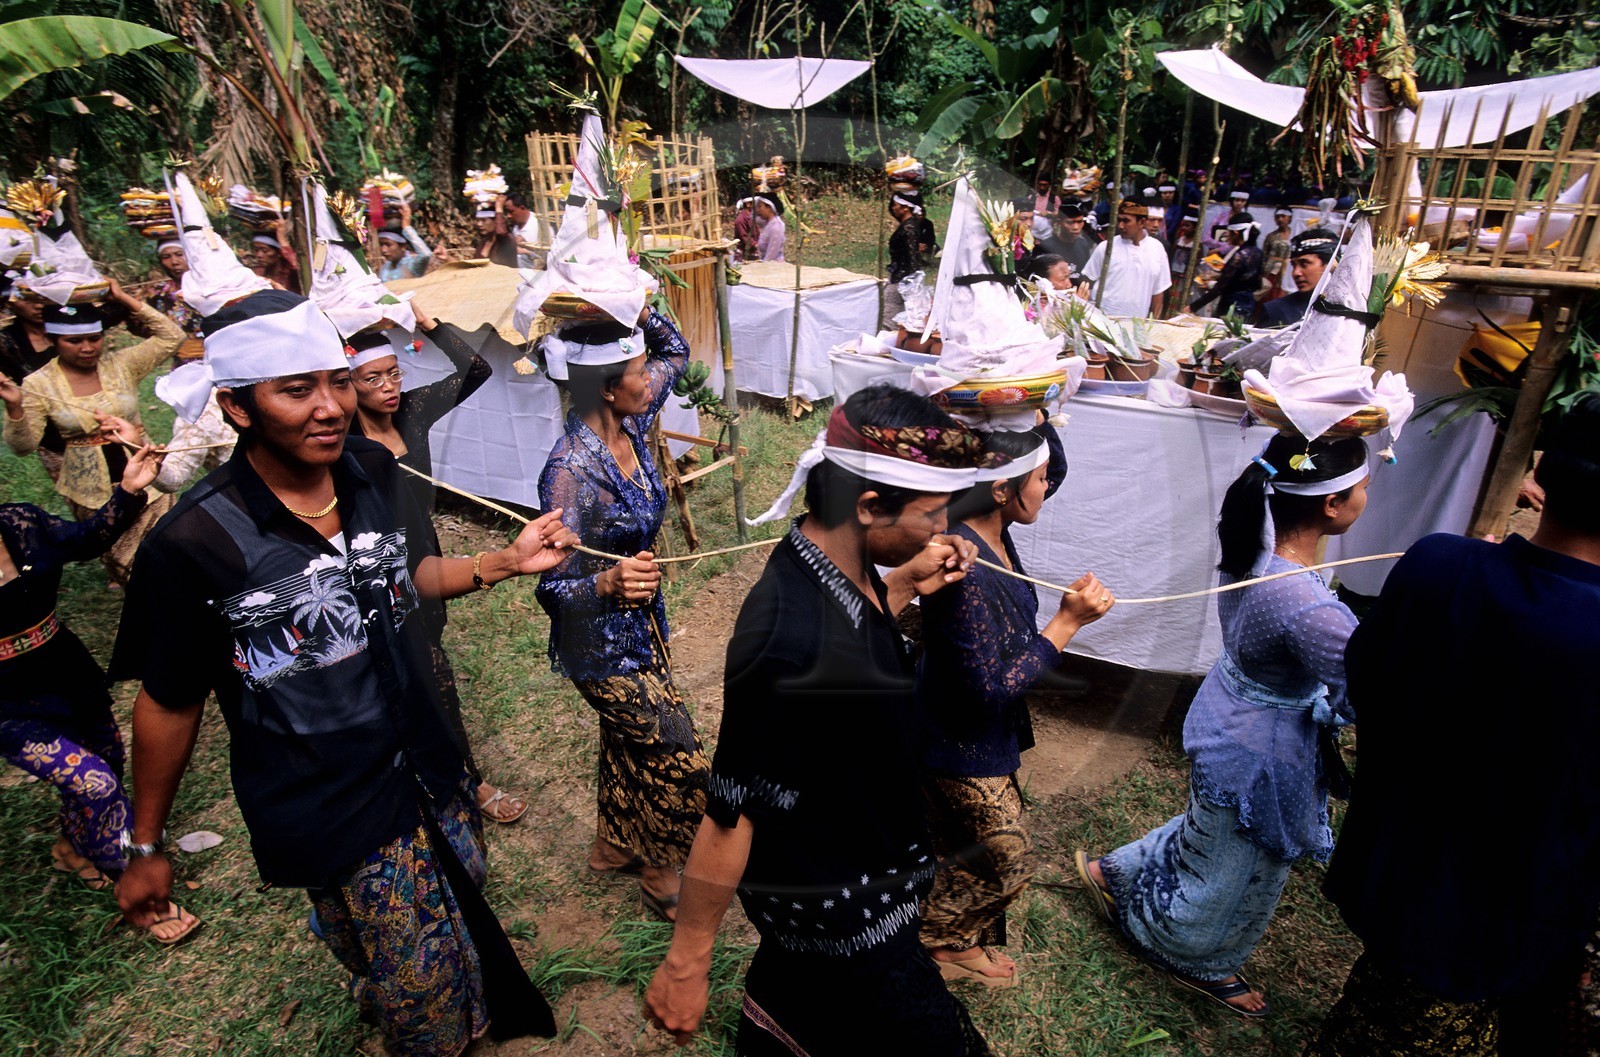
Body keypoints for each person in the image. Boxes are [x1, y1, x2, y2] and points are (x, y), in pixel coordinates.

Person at [112, 286, 567, 1054]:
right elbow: (169, 702)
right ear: (235, 406)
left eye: (335, 381)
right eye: (297, 389)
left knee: (459, 901)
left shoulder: (365, 471)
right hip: (330, 795)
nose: (330, 406)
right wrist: (147, 845)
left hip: (426, 759)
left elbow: (402, 576)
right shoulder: (194, 543)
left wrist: (500, 561)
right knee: (417, 986)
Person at [643, 384, 996, 1055]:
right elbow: (732, 810)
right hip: (848, 917)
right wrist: (687, 962)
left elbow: (852, 642)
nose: (944, 528)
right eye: (932, 512)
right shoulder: (789, 640)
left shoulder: (835, 562)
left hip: (858, 873)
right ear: (868, 505)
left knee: (806, 1009)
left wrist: (902, 583)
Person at [1306, 394, 1600, 1056]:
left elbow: (1368, 682)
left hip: (1395, 868)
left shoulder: (1437, 564)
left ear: (1542, 475)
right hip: (1511, 917)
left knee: (1387, 1005)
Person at [1077, 432, 1372, 1018]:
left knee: (1215, 824)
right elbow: (1361, 690)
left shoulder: (1255, 551)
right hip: (1264, 747)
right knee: (1243, 862)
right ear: (1333, 506)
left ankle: (1113, 871)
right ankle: (1189, 950)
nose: (1368, 497)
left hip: (1227, 713)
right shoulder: (1308, 603)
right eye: (1364, 488)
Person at [918, 424, 1112, 986]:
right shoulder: (965, 566)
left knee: (953, 843)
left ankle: (949, 938)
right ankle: (941, 940)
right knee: (1009, 859)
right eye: (1041, 478)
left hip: (960, 725)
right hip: (959, 739)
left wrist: (1028, 414)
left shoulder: (991, 531)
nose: (1048, 488)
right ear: (1001, 488)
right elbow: (991, 688)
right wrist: (1066, 623)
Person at [535, 307, 709, 922]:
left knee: (629, 737)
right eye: (640, 373)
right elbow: (551, 592)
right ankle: (664, 869)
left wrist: (627, 300)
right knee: (676, 750)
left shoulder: (633, 424)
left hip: (645, 621)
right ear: (611, 388)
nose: (652, 379)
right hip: (599, 643)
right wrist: (605, 580)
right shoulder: (569, 472)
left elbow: (676, 349)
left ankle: (613, 846)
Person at [0, 441, 200, 944]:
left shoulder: (18, 523)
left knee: (107, 761)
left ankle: (72, 847)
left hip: (66, 674)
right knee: (97, 785)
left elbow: (86, 540)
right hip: (7, 709)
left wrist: (130, 490)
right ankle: (137, 884)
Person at [346, 307, 521, 824]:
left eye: (393, 373)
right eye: (371, 379)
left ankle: (449, 772)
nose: (387, 387)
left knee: (430, 668)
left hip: (426, 558)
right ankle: (457, 776)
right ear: (347, 385)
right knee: (413, 677)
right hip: (375, 573)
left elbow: (476, 371)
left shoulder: (412, 413)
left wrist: (430, 325)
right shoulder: (341, 444)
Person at [3, 286, 186, 584]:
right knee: (128, 561)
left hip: (143, 467)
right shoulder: (39, 383)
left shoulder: (121, 364)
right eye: (74, 341)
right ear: (52, 340)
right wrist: (14, 406)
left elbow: (172, 336)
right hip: (91, 488)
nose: (87, 348)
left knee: (174, 545)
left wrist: (123, 298)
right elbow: (23, 446)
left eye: (94, 338)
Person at [1078, 199, 1171, 318]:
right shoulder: (1106, 247)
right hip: (1102, 322)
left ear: (1141, 222)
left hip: (1137, 324)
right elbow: (1086, 283)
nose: (1121, 226)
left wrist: (1154, 325)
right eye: (1119, 220)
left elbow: (1158, 292)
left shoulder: (1157, 249)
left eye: (1126, 221)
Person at [1189, 213, 1264, 319]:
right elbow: (1257, 284)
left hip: (1231, 307)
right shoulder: (1258, 253)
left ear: (1236, 233)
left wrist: (1192, 307)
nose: (1227, 235)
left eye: (1228, 232)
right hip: (1248, 304)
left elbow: (1220, 288)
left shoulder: (1239, 256)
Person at [1260, 228, 1337, 328]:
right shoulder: (1276, 311)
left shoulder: (1354, 309)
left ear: (1331, 265)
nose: (1296, 273)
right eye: (1293, 265)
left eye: (1304, 264)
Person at [884, 193, 932, 328]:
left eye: (896, 205)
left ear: (906, 208)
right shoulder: (908, 224)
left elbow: (912, 257)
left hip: (902, 278)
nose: (893, 208)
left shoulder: (909, 228)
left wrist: (911, 283)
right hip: (900, 275)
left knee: (889, 319)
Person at [143, 240, 203, 342]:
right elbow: (146, 328)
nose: (174, 262)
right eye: (166, 257)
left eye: (179, 255)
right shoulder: (158, 294)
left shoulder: (211, 287)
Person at [375, 203, 433, 282]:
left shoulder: (412, 264)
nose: (383, 250)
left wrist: (406, 227)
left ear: (402, 246)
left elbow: (426, 254)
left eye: (388, 245)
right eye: (381, 245)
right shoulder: (384, 268)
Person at [250, 221, 301, 293]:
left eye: (265, 250)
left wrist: (282, 239)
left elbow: (298, 266)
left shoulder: (291, 273)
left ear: (279, 253)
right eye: (256, 250)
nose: (259, 255)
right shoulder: (255, 274)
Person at [472, 197, 518, 267]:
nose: (479, 224)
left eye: (484, 220)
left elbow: (501, 232)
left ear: (495, 221)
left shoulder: (506, 241)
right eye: (478, 221)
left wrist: (499, 208)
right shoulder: (483, 242)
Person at [1055, 204, 1098, 278]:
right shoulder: (1046, 246)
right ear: (1059, 222)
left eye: (1080, 222)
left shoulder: (1083, 244)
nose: (1076, 227)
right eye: (1070, 222)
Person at [1262, 208, 1295, 301]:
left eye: (1283, 216)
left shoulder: (1295, 235)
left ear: (1289, 218)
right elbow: (1265, 254)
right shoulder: (1271, 236)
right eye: (1277, 217)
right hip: (1272, 271)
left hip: (1288, 272)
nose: (1280, 219)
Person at [504, 193, 544, 269]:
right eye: (507, 212)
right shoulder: (516, 226)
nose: (508, 216)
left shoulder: (539, 225)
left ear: (522, 208)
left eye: (511, 211)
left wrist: (526, 252)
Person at [754, 197, 785, 262]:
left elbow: (771, 256)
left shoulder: (776, 227)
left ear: (769, 208)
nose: (758, 210)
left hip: (773, 266)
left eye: (760, 206)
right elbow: (752, 218)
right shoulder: (766, 222)